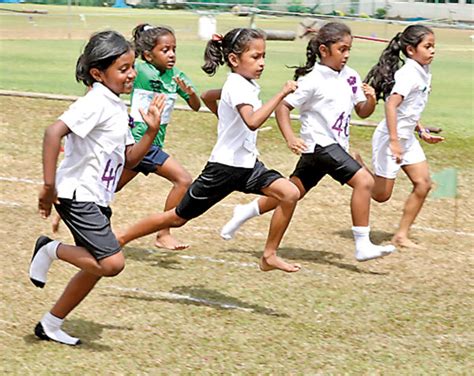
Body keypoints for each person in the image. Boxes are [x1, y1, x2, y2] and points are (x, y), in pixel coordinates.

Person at [116, 28, 302, 272]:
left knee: (290, 193)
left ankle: (269, 255)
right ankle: (119, 239)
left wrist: (224, 117)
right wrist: (282, 93)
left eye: (263, 56)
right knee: (177, 218)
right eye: (255, 57)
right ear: (234, 60)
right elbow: (253, 121)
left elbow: (207, 96)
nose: (262, 63)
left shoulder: (244, 84)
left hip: (247, 166)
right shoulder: (237, 85)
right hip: (223, 169)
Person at [29, 30, 165, 345]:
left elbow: (130, 157)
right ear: (97, 73)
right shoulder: (95, 102)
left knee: (94, 266)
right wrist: (49, 187)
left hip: (96, 197)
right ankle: (49, 249)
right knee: (112, 263)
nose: (131, 74)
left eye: (132, 67)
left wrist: (151, 132)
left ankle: (50, 324)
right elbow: (53, 133)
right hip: (78, 195)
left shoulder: (117, 106)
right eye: (123, 69)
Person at [219, 22, 395, 262]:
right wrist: (291, 138)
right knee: (364, 181)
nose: (347, 54)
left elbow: (362, 111)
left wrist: (372, 101)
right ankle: (362, 244)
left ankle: (245, 211)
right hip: (320, 146)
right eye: (342, 49)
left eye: (349, 49)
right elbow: (283, 106)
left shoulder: (351, 76)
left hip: (332, 148)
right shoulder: (312, 79)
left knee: (293, 192)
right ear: (324, 50)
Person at [119, 23, 201, 250]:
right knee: (183, 180)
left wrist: (191, 93)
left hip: (150, 143)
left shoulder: (177, 76)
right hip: (139, 141)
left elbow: (196, 106)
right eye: (165, 50)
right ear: (147, 54)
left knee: (111, 187)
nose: (172, 54)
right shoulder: (141, 70)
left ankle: (69, 200)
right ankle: (163, 233)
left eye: (174, 49)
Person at [363, 25, 443, 249]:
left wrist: (421, 130)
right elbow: (391, 104)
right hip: (391, 137)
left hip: (407, 137)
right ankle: (359, 175)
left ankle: (401, 235)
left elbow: (409, 108)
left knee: (423, 184)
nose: (432, 51)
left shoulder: (423, 70)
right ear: (410, 50)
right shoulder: (408, 73)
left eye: (433, 46)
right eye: (427, 47)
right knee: (381, 195)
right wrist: (395, 142)